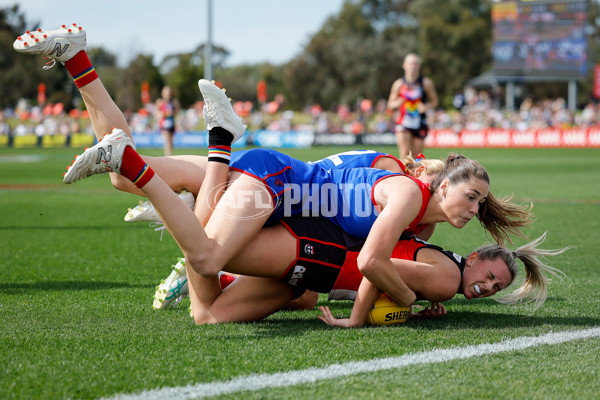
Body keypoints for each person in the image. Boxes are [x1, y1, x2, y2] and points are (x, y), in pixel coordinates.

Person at [15, 24, 532, 325]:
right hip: (279, 186)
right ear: (441, 182)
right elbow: (374, 260)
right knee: (206, 250)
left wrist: (412, 293)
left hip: (284, 190)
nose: (474, 208)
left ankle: (77, 58)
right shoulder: (403, 194)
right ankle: (219, 146)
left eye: (478, 204)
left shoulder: (414, 208)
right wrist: (409, 299)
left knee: (121, 180)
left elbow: (385, 255)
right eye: (471, 196)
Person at [153, 215, 568, 325]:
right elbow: (374, 269)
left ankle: (210, 268)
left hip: (318, 273)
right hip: (319, 260)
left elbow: (392, 269)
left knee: (302, 301)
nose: (490, 287)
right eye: (491, 276)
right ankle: (191, 222)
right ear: (474, 258)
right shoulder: (444, 279)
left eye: (496, 287)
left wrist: (412, 304)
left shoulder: (446, 269)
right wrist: (359, 320)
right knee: (210, 297)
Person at [387, 53, 439, 159]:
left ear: (418, 66)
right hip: (403, 122)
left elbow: (435, 102)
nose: (413, 66)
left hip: (419, 122)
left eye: (415, 64)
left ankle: (414, 176)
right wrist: (399, 101)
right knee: (405, 155)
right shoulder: (399, 84)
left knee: (416, 158)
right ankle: (402, 175)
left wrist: (425, 107)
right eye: (410, 63)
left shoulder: (426, 83)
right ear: (404, 66)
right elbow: (390, 104)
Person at [155, 85, 180, 156]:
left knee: (171, 143)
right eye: (166, 92)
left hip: (172, 123)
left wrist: (172, 112)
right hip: (164, 124)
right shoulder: (160, 102)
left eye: (169, 92)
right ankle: (169, 157)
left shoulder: (174, 101)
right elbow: (156, 112)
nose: (168, 94)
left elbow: (177, 111)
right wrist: (164, 113)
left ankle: (169, 156)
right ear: (163, 93)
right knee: (167, 142)